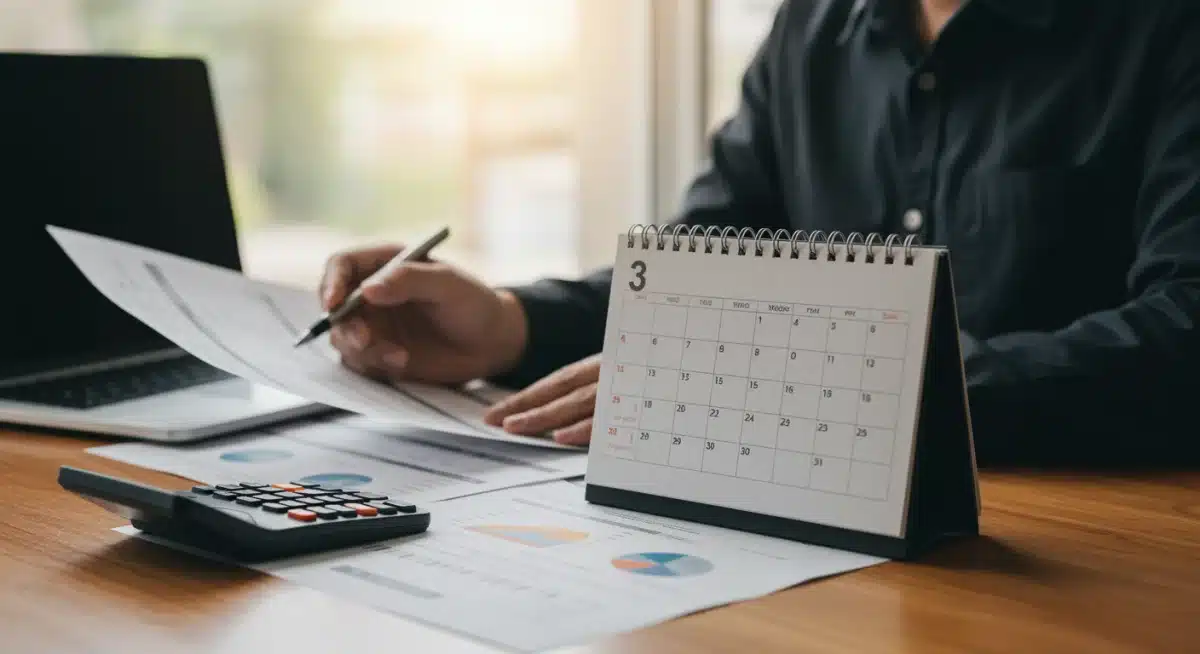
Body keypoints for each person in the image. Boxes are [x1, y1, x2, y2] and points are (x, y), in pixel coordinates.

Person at [322, 0, 1200, 466]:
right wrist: (509, 322)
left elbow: (1186, 334)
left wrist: (868, 390)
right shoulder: (810, 30)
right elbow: (703, 273)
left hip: (1082, 554)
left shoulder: (1168, 28)